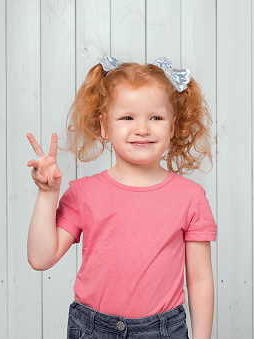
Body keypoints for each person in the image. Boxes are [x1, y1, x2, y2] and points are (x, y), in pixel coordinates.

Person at [26, 57, 217, 339]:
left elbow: (200, 280)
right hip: (92, 329)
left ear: (173, 127)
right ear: (104, 126)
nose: (142, 128)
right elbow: (40, 259)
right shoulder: (83, 193)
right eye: (127, 117)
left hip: (163, 331)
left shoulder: (190, 197)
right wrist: (47, 194)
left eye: (156, 117)